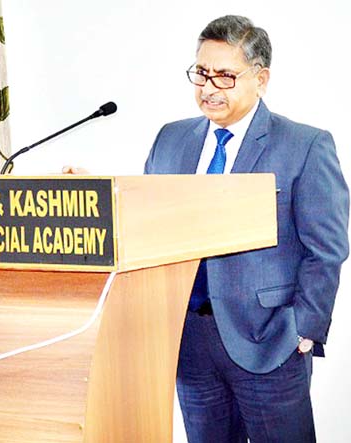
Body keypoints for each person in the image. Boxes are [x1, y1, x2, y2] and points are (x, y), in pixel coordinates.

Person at [142, 16, 348, 442]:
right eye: (201, 73)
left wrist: (304, 328)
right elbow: (147, 224)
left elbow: (326, 247)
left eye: (224, 76)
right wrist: (102, 195)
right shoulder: (171, 139)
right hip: (190, 343)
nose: (209, 87)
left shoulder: (304, 145)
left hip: (269, 341)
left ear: (261, 79)